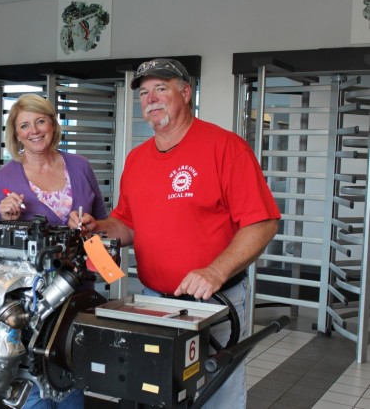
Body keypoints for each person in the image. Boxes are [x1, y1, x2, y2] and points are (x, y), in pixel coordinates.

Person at [68, 58, 280, 408]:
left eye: (161, 88)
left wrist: (215, 271)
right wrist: (98, 227)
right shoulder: (137, 160)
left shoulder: (225, 148)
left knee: (216, 394)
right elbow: (128, 224)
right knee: (159, 392)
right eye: (145, 92)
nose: (151, 98)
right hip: (155, 302)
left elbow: (263, 222)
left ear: (185, 92)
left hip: (215, 304)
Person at [0, 93, 108, 409]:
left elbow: (102, 222)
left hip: (76, 296)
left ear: (53, 123)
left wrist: (106, 271)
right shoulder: (3, 179)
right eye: (25, 125)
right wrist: (8, 221)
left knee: (71, 376)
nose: (35, 130)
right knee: (33, 385)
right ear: (15, 133)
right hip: (30, 303)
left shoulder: (80, 166)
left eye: (41, 121)